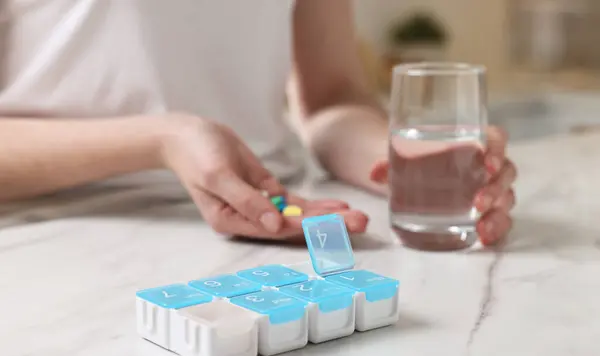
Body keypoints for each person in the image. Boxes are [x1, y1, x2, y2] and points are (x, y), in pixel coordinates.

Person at [0, 0, 516, 244]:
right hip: (60, 241)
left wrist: (402, 162)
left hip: (279, 219)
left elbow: (334, 98)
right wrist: (164, 139)